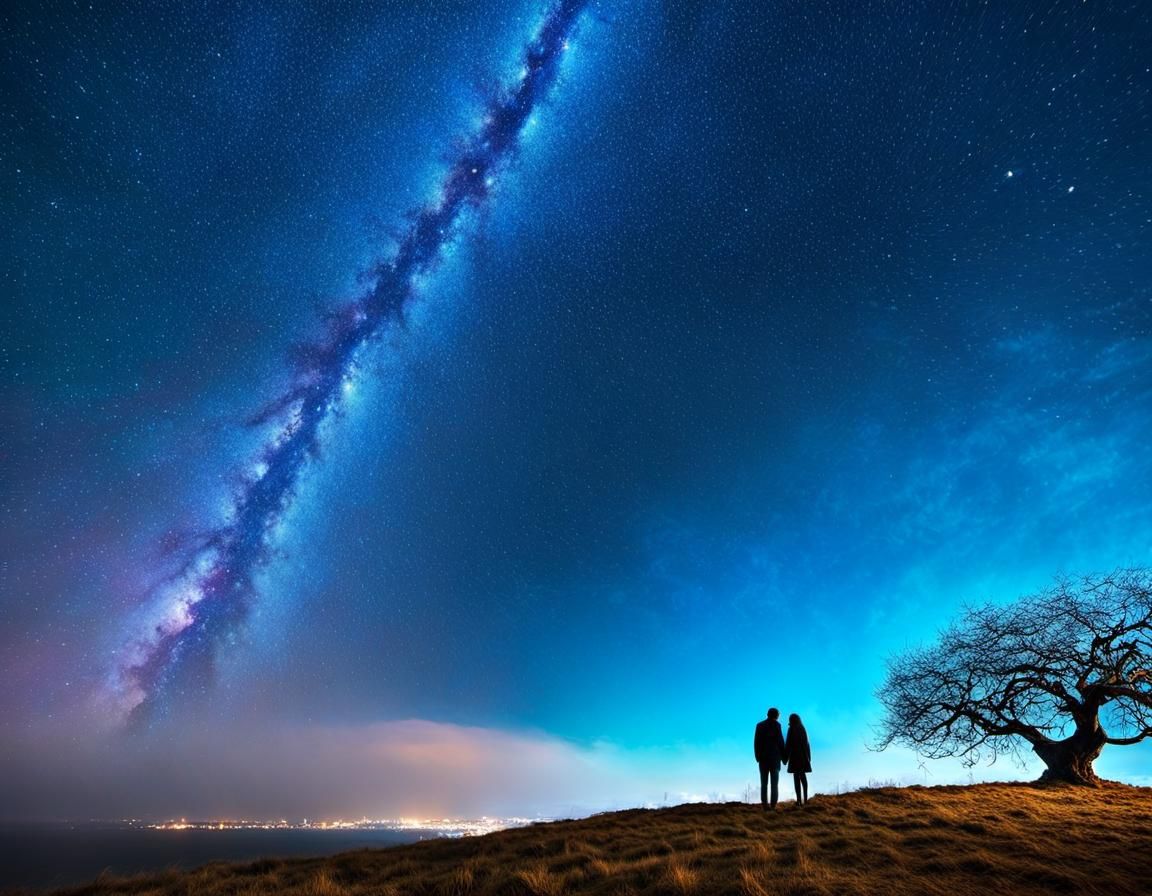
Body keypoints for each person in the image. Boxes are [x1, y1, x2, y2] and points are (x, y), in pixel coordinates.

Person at [753, 707, 786, 810]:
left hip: (763, 758)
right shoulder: (777, 725)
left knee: (764, 783)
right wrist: (784, 758)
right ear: (776, 716)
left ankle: (764, 805)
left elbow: (756, 742)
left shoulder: (759, 725)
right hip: (775, 759)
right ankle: (773, 805)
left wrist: (757, 757)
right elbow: (780, 742)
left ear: (767, 714)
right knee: (774, 784)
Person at [784, 712, 811, 806]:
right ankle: (805, 799)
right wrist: (808, 758)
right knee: (803, 777)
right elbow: (807, 745)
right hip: (803, 757)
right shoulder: (803, 728)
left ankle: (799, 800)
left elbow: (788, 744)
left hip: (795, 757)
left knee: (796, 778)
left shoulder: (791, 729)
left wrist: (785, 758)